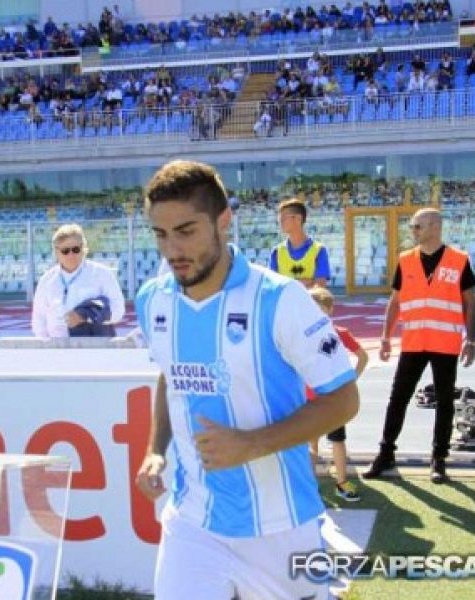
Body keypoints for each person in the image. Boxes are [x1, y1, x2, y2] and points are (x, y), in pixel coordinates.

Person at [134, 160, 359, 600]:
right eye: (161, 234)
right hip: (192, 521)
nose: (172, 249)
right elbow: (170, 375)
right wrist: (154, 452)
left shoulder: (280, 299)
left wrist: (252, 444)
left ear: (223, 221)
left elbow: (343, 400)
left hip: (282, 526)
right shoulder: (152, 300)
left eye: (186, 231)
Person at [364, 208, 475, 484]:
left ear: (435, 227)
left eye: (417, 226)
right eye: (413, 226)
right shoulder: (405, 260)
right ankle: (385, 453)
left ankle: (438, 459)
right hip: (413, 342)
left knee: (445, 402)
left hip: (445, 343)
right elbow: (396, 301)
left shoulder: (459, 260)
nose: (412, 231)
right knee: (398, 398)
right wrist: (385, 336)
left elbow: (469, 303)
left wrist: (471, 339)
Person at [308, 287, 368, 502]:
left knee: (337, 441)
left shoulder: (339, 333)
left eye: (320, 310)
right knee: (310, 443)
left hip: (333, 400)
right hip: (311, 399)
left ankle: (341, 482)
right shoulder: (301, 336)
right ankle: (310, 484)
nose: (315, 314)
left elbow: (363, 357)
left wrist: (350, 381)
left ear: (330, 309)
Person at [31, 223, 125, 338]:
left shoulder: (102, 274)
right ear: (56, 252)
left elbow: (118, 311)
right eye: (65, 251)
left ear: (84, 248)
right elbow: (39, 319)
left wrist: (86, 316)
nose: (71, 255)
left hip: (95, 347)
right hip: (57, 349)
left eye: (76, 249)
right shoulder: (47, 280)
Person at [269, 197, 331, 288]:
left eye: (283, 219)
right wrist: (307, 282)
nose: (280, 223)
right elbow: (272, 286)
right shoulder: (276, 252)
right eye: (279, 219)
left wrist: (287, 284)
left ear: (298, 219)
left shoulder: (319, 250)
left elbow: (320, 287)